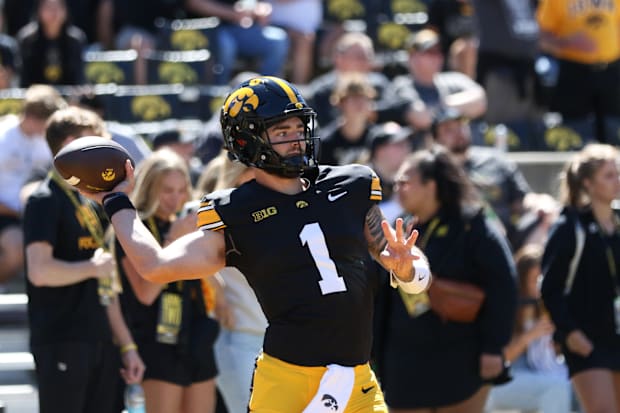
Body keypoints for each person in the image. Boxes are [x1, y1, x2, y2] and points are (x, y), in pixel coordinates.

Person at [82, 75, 431, 412]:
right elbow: (155, 265)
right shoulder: (235, 212)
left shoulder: (350, 184)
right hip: (286, 383)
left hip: (357, 381)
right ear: (249, 141)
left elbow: (407, 264)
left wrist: (409, 270)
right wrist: (116, 202)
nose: (296, 139)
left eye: (299, 127)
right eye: (282, 131)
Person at [374, 147, 517, 413]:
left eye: (405, 182)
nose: (398, 188)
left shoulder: (471, 225)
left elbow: (504, 287)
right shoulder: (402, 228)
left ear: (431, 186)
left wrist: (494, 348)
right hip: (405, 365)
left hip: (460, 360)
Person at [23, 106, 145, 413]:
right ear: (70, 144)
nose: (107, 146)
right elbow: (40, 271)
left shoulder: (93, 204)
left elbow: (108, 281)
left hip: (102, 339)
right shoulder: (44, 199)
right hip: (62, 338)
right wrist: (90, 267)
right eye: (98, 140)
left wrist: (127, 345)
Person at [115, 148, 218, 413]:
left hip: (195, 335)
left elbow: (209, 282)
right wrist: (172, 238)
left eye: (181, 190)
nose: (176, 199)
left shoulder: (185, 223)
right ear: (149, 188)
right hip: (156, 341)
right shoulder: (134, 228)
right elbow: (145, 294)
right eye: (167, 190)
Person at [541, 143, 620, 413]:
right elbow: (550, 288)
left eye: (618, 172)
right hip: (587, 341)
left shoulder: (618, 222)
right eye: (609, 175)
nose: (617, 180)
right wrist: (570, 333)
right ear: (587, 182)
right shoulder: (569, 227)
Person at [197, 151, 265, 413]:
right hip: (238, 338)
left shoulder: (276, 208)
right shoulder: (216, 210)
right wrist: (218, 290)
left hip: (278, 340)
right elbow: (173, 246)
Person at [486, 243, 572, 413]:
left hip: (537, 379)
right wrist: (529, 336)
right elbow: (499, 361)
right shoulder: (508, 310)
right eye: (535, 281)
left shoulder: (547, 309)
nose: (540, 288)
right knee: (556, 389)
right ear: (521, 283)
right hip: (498, 385)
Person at [0, 84, 66, 288]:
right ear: (31, 118)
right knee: (17, 251)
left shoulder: (45, 141)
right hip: (5, 214)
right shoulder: (3, 137)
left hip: (31, 211)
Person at [537, 0, 620, 144]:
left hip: (612, 70)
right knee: (576, 136)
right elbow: (540, 36)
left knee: (613, 133)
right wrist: (568, 43)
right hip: (574, 71)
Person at [184, 0, 289, 85]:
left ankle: (267, 89)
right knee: (226, 44)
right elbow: (194, 3)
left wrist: (259, 9)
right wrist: (231, 14)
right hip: (205, 29)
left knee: (278, 40)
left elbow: (249, 4)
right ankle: (219, 93)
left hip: (237, 29)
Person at [17, 0, 86, 87]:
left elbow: (79, 79)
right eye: (49, 7)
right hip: (36, 97)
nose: (54, 12)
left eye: (58, 7)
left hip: (69, 98)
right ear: (39, 10)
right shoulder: (27, 40)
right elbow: (23, 80)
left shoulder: (76, 40)